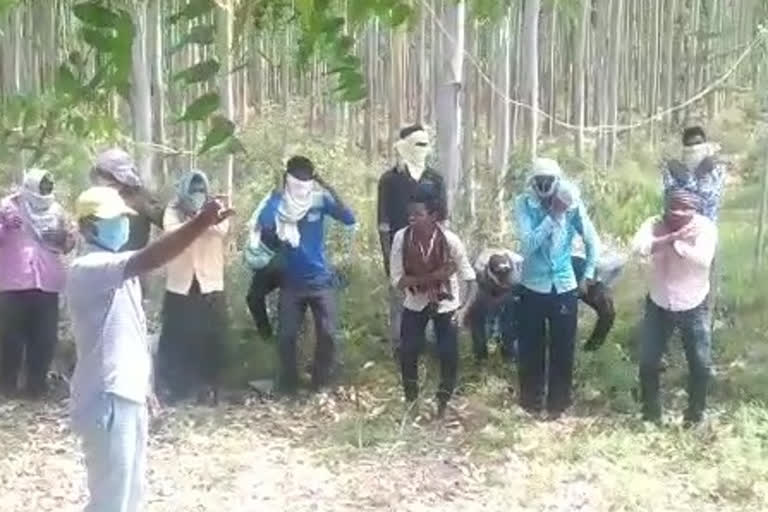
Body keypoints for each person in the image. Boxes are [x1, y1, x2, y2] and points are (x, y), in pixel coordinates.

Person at [67, 185, 232, 512]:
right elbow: (152, 257)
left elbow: (132, 334)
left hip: (126, 395)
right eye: (112, 220)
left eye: (122, 218)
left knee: (130, 496)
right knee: (111, 501)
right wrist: (200, 222)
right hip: (107, 397)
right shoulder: (89, 268)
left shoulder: (117, 270)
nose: (122, 225)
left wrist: (146, 387)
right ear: (87, 227)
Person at [256, 156, 356, 392]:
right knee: (287, 337)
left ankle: (319, 383)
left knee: (328, 334)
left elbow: (348, 217)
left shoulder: (319, 202)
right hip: (291, 282)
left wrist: (328, 185)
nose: (302, 184)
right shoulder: (279, 203)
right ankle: (290, 384)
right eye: (297, 179)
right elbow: (266, 223)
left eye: (306, 179)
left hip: (320, 280)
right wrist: (277, 194)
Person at [514, 159, 599, 418]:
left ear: (557, 181)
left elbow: (592, 241)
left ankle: (558, 404)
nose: (543, 186)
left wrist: (588, 274)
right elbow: (527, 246)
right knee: (531, 346)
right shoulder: (524, 205)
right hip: (533, 285)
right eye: (538, 181)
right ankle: (530, 401)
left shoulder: (572, 204)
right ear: (532, 182)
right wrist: (552, 217)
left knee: (563, 347)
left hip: (563, 285)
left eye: (548, 181)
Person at [632, 190, 716, 426]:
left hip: (694, 303)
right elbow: (638, 247)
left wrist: (678, 244)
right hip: (659, 302)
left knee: (700, 363)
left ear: (694, 210)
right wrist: (667, 239)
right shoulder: (654, 224)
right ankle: (651, 415)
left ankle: (695, 416)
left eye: (684, 209)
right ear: (665, 207)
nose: (677, 214)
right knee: (648, 362)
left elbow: (703, 259)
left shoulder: (705, 227)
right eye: (673, 208)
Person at [390, 190, 476, 417]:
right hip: (415, 301)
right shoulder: (401, 238)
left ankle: (443, 403)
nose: (412, 218)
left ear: (433, 216)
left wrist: (464, 310)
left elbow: (470, 279)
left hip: (447, 304)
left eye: (418, 214)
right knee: (407, 352)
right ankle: (411, 403)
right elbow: (398, 280)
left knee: (448, 355)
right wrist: (433, 277)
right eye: (410, 214)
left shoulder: (450, 240)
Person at [156, 170, 230, 404]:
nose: (197, 193)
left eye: (201, 189)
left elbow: (220, 230)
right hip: (181, 285)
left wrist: (203, 218)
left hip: (210, 284)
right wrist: (200, 221)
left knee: (211, 338)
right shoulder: (173, 209)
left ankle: (209, 388)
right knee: (177, 336)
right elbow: (172, 232)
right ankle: (175, 388)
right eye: (193, 189)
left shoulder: (216, 207)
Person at [0, 169, 75, 397]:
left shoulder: (56, 210)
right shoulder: (6, 207)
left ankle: (36, 387)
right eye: (40, 187)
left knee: (44, 339)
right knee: (8, 338)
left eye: (47, 188)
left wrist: (63, 237)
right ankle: (6, 387)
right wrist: (4, 226)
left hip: (47, 282)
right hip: (12, 282)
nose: (44, 192)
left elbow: (69, 243)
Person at [378, 125, 447, 354]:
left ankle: (427, 344)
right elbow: (383, 222)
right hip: (400, 249)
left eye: (425, 144)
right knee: (400, 299)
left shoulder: (435, 179)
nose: (422, 149)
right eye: (417, 144)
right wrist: (389, 257)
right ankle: (400, 346)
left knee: (430, 294)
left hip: (430, 250)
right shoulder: (389, 179)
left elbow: (442, 219)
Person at [90, 148, 165, 250]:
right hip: (100, 260)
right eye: (101, 175)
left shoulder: (140, 197)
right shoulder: (94, 198)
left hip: (134, 261)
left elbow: (168, 222)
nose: (103, 181)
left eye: (110, 180)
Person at [466, 249, 523, 363]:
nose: (502, 277)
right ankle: (480, 355)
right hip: (484, 288)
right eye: (499, 276)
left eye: (505, 275)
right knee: (477, 315)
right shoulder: (479, 268)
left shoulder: (518, 271)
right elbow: (474, 292)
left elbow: (518, 294)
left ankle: (509, 353)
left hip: (512, 289)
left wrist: (503, 299)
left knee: (510, 318)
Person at [661, 126, 726, 221]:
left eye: (698, 143)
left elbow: (708, 201)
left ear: (705, 145)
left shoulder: (716, 169)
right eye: (689, 145)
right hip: (678, 229)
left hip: (706, 229)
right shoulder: (672, 170)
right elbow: (674, 200)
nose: (694, 148)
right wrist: (688, 176)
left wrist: (688, 178)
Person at [244, 193, 283, 339]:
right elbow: (257, 224)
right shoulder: (272, 198)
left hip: (292, 259)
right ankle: (267, 339)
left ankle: (287, 340)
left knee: (288, 301)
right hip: (269, 257)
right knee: (253, 298)